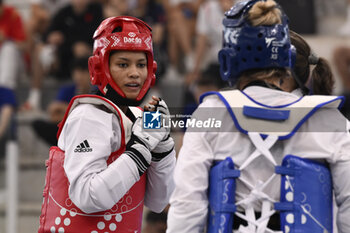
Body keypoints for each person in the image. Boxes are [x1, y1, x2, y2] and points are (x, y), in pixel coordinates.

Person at [167, 1, 350, 233]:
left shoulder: (210, 114)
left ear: (229, 57)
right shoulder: (328, 119)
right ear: (287, 56)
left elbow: (187, 206)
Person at [38, 16, 176, 233]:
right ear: (101, 67)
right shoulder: (88, 115)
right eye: (123, 64)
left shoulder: (136, 117)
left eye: (141, 64)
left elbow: (158, 202)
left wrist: (162, 149)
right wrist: (139, 150)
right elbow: (88, 197)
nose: (135, 73)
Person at [32, 56, 95, 146]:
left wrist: (67, 111)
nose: (79, 76)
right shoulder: (67, 90)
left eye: (83, 72)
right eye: (76, 72)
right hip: (68, 127)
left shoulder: (97, 91)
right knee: (39, 124)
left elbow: (93, 116)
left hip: (88, 130)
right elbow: (53, 112)